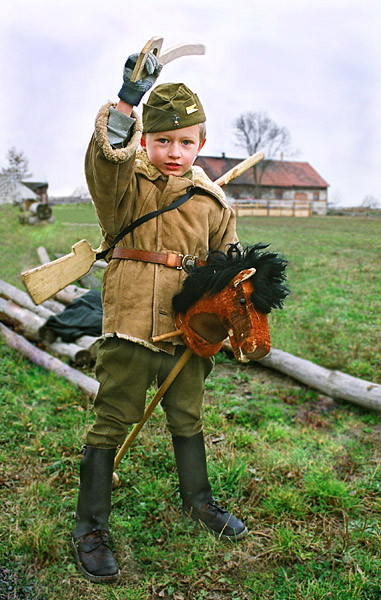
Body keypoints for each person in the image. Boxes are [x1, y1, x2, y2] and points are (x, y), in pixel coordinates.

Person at [72, 50, 247, 584]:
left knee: (188, 418)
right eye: (163, 140)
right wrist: (128, 101)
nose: (175, 152)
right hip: (128, 325)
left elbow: (230, 267)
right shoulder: (125, 188)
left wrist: (234, 302)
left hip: (187, 333)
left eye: (187, 141)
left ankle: (199, 502)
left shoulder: (213, 202)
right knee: (112, 418)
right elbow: (105, 160)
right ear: (145, 140)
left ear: (201, 143)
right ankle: (90, 527)